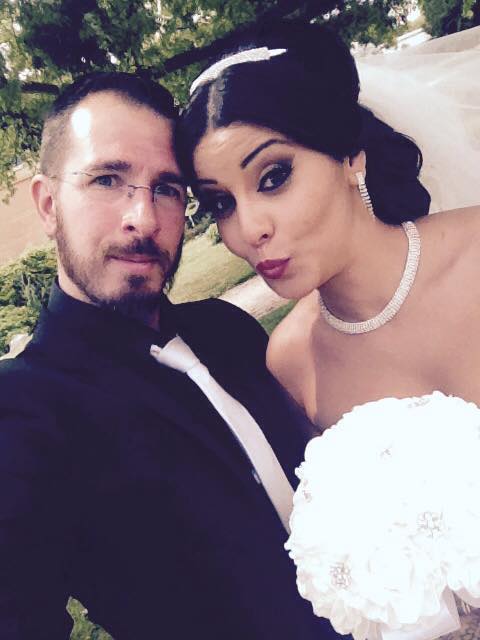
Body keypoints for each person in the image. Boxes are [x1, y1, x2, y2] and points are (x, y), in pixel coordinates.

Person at [0, 72, 341, 639]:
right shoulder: (24, 411)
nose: (144, 218)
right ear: (48, 203)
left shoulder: (228, 330)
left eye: (167, 187)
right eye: (107, 179)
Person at [176, 20, 480, 429]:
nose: (249, 230)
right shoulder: (292, 361)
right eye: (221, 203)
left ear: (350, 155)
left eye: (274, 177)